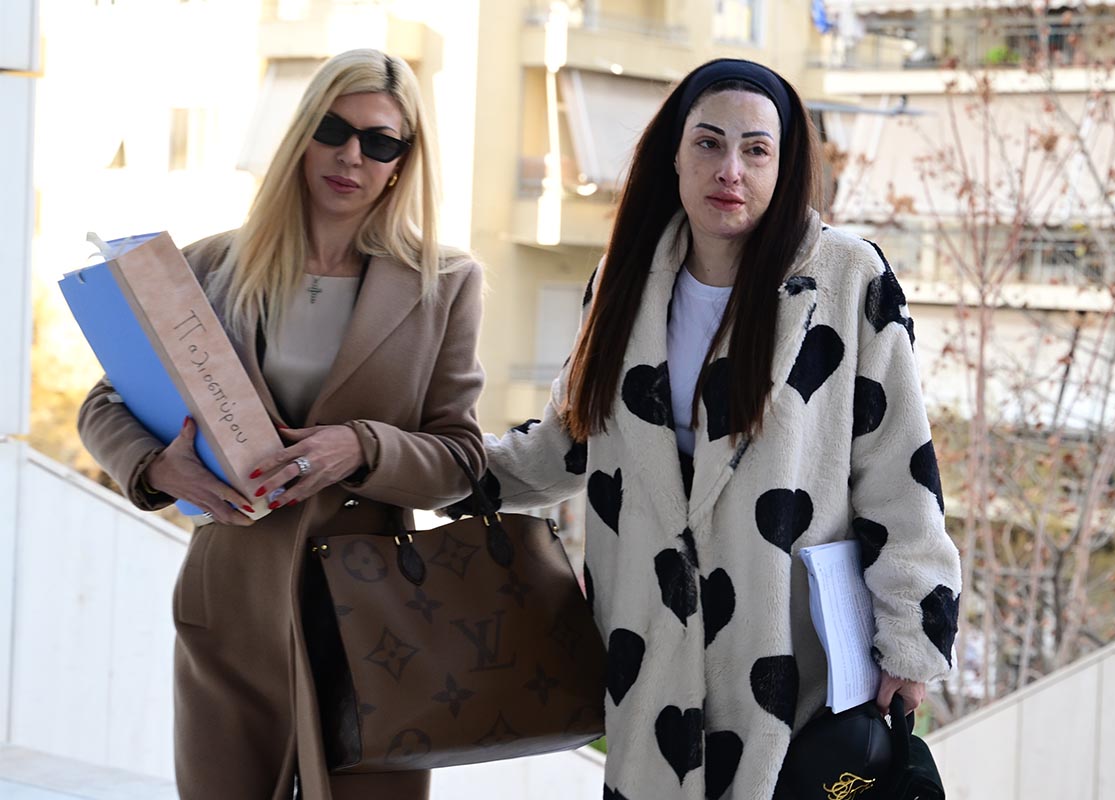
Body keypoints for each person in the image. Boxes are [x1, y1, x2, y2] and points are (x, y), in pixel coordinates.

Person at [469, 59, 962, 799]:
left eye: (756, 149)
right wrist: (404, 463)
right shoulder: (624, 283)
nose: (730, 169)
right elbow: (563, 448)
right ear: (674, 154)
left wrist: (910, 643)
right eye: (708, 143)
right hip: (649, 659)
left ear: (783, 166)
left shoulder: (846, 278)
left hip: (791, 661)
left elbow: (901, 472)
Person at [77, 49, 484, 800]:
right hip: (230, 602)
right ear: (301, 134)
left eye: (379, 141)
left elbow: (461, 458)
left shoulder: (445, 284)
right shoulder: (206, 267)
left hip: (375, 618)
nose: (351, 156)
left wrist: (360, 447)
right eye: (333, 129)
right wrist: (158, 467)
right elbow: (105, 402)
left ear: (402, 161)